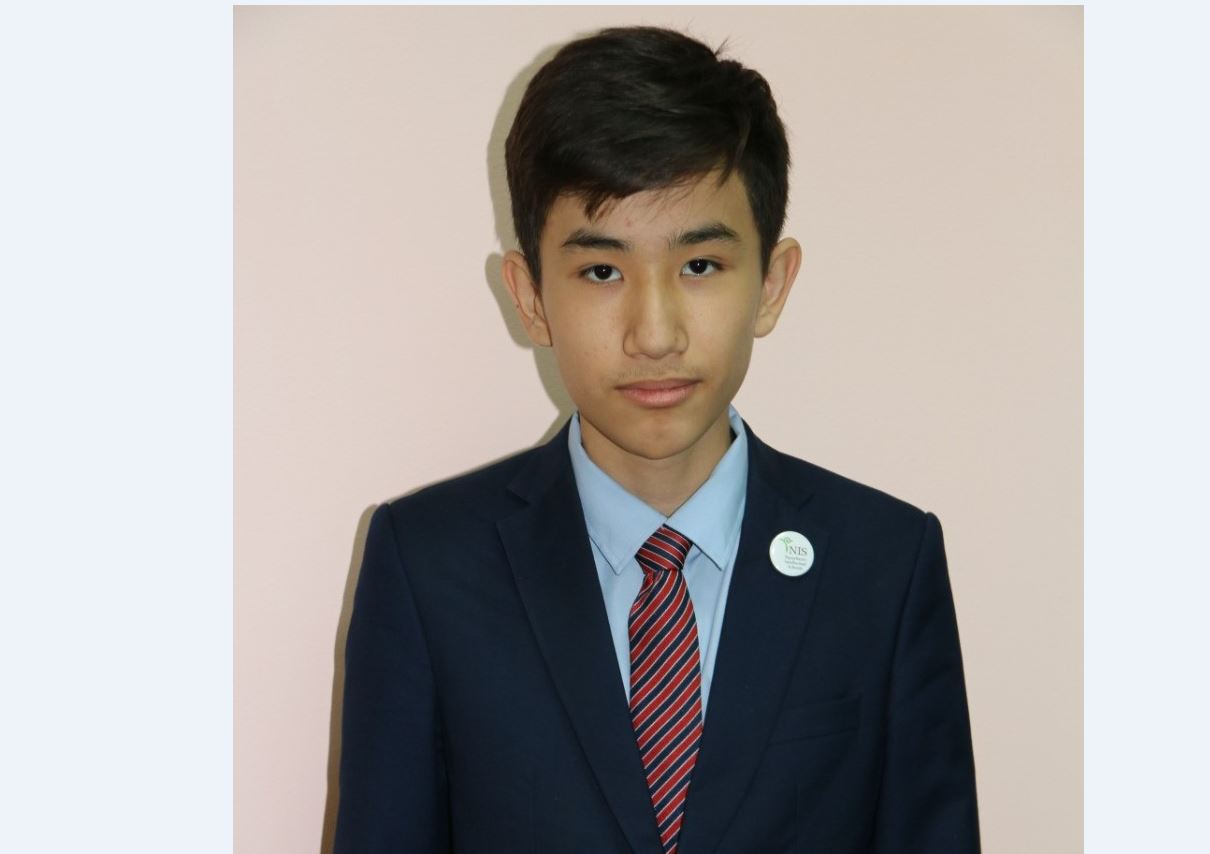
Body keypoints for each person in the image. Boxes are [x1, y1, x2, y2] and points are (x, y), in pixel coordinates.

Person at [333, 25, 980, 854]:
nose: (654, 333)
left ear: (771, 283)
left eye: (699, 266)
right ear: (529, 297)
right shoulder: (427, 566)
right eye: (601, 271)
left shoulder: (884, 563)